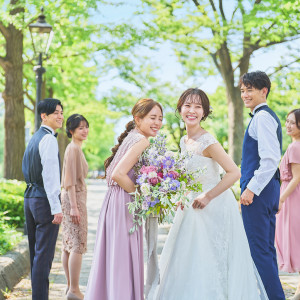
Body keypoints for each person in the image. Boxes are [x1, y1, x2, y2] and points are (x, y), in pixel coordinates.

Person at [155, 88, 268, 300]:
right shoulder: (184, 141)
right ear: (180, 109)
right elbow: (189, 177)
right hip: (191, 207)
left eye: (198, 107)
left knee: (211, 258)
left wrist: (207, 196)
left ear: (204, 113)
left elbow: (234, 172)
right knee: (190, 258)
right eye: (188, 105)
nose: (192, 110)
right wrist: (181, 194)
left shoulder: (207, 141)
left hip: (214, 206)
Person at [84, 98, 163, 300]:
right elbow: (118, 174)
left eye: (160, 119)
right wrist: (141, 194)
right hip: (124, 202)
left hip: (114, 200)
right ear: (138, 119)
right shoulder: (141, 140)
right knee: (122, 256)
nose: (157, 123)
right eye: (152, 118)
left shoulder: (133, 136)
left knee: (114, 256)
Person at [239, 71, 285, 300]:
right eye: (242, 90)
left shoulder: (262, 117)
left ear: (263, 91)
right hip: (266, 192)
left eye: (250, 89)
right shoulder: (262, 117)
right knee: (265, 250)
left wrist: (250, 189)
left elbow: (270, 159)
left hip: (258, 193)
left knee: (259, 252)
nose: (245, 94)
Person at [22, 98, 64, 300]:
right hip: (43, 201)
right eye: (55, 112)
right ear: (43, 116)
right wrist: (56, 207)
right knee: (43, 257)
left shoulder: (34, 138)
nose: (60, 116)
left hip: (29, 199)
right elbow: (50, 176)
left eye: (62, 112)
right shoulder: (49, 139)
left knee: (36, 254)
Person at [61, 114, 89, 300]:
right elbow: (70, 181)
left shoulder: (76, 148)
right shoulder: (73, 149)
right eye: (80, 128)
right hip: (74, 198)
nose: (85, 130)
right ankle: (74, 289)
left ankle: (71, 287)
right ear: (71, 131)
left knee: (68, 244)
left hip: (73, 198)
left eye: (86, 127)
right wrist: (74, 207)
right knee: (77, 244)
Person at [275, 108, 300, 300]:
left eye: (292, 122)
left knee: (295, 241)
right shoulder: (295, 145)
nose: (288, 125)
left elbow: (297, 177)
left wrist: (282, 199)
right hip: (290, 194)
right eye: (287, 121)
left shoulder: (295, 147)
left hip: (292, 197)